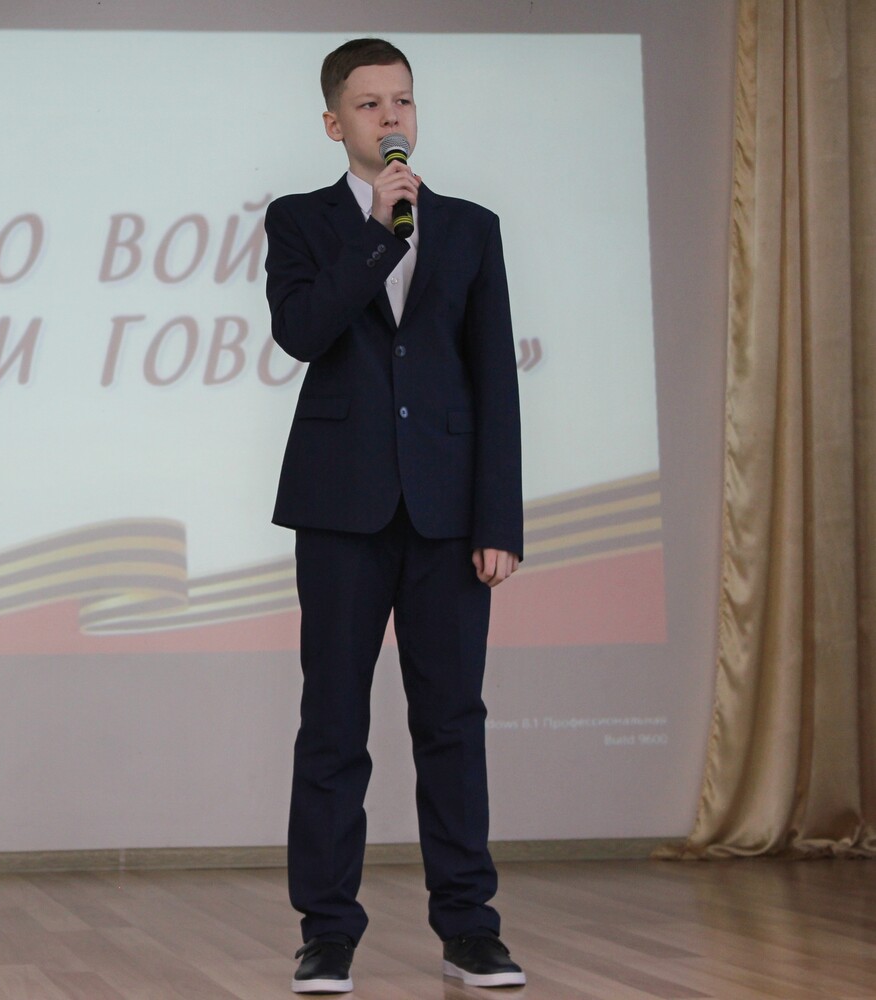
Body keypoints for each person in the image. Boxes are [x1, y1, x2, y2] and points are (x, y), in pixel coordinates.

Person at [263, 37, 526, 994]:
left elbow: (494, 378)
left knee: (452, 722)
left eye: (402, 101)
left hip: (450, 515)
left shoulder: (472, 227)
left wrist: (499, 519)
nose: (391, 118)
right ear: (334, 122)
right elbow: (301, 332)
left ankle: (470, 928)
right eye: (370, 105)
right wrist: (379, 231)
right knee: (333, 723)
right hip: (342, 509)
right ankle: (327, 932)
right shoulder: (301, 220)